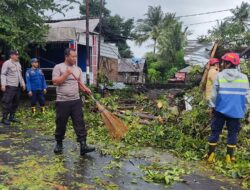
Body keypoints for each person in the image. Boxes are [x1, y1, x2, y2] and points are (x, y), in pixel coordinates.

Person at [206, 52, 250, 163]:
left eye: (224, 62)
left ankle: (211, 155)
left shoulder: (219, 76)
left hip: (220, 110)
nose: (222, 64)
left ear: (228, 63)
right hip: (236, 111)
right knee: (233, 134)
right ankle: (229, 157)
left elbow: (214, 95)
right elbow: (247, 98)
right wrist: (243, 110)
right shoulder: (244, 78)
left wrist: (212, 107)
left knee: (215, 131)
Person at [52, 48, 95, 155]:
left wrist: (85, 89)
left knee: (80, 123)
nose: (75, 58)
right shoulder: (58, 67)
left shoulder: (78, 69)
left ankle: (83, 145)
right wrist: (66, 73)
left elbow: (79, 83)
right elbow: (55, 82)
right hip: (62, 101)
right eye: (73, 56)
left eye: (76, 56)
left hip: (76, 100)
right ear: (66, 56)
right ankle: (59, 144)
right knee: (61, 123)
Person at [1, 50, 25, 125]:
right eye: (16, 55)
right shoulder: (7, 63)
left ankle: (12, 117)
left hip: (17, 86)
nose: (17, 56)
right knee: (7, 102)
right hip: (9, 86)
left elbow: (20, 75)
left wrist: (23, 84)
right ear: (11, 55)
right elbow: (3, 74)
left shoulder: (18, 63)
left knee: (16, 102)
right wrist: (3, 85)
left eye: (18, 55)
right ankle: (4, 118)